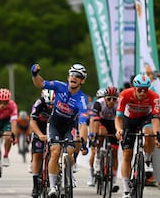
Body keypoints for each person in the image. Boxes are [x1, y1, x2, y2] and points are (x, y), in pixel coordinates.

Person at [31, 63, 89, 198]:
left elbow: (82, 123)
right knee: (55, 151)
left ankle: (68, 174)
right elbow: (40, 84)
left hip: (70, 126)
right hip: (54, 124)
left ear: (82, 81)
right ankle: (52, 187)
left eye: (78, 76)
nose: (74, 77)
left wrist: (84, 141)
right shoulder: (59, 86)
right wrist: (35, 74)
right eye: (72, 74)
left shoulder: (82, 99)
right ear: (68, 76)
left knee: (69, 153)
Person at [115, 74, 160, 198]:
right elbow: (119, 117)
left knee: (149, 132)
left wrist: (158, 136)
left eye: (145, 89)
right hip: (129, 120)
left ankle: (147, 161)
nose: (143, 92)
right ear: (134, 88)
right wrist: (119, 130)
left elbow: (156, 120)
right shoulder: (125, 94)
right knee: (127, 154)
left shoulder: (154, 96)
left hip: (145, 119)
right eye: (140, 89)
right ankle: (126, 189)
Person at [87, 86, 120, 192]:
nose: (111, 101)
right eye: (109, 99)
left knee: (114, 151)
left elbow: (122, 121)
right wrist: (93, 135)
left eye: (114, 99)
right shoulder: (98, 103)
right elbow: (93, 120)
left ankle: (113, 178)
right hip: (101, 122)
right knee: (101, 133)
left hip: (113, 123)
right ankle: (97, 156)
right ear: (104, 98)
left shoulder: (119, 104)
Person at [30, 89, 55, 197]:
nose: (50, 107)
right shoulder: (39, 103)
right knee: (37, 155)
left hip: (53, 129)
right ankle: (35, 185)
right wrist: (39, 134)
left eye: (52, 104)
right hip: (39, 129)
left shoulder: (59, 104)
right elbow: (32, 121)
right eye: (48, 104)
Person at [87, 88, 106, 186]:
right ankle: (91, 174)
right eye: (100, 98)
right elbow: (91, 121)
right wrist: (91, 134)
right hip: (96, 126)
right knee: (93, 152)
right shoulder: (95, 106)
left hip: (107, 124)